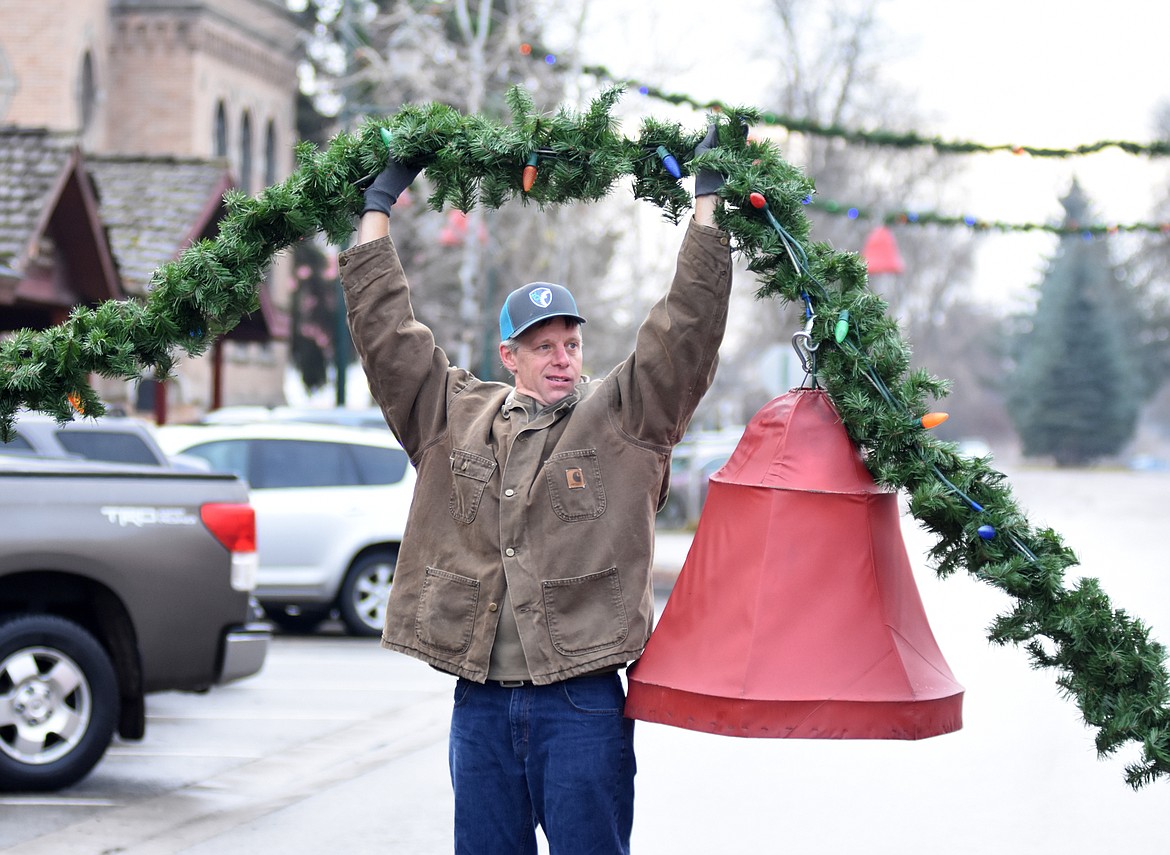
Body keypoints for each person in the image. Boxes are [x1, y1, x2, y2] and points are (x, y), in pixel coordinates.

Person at [337, 125, 734, 855]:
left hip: (581, 703)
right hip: (480, 705)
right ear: (509, 355)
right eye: (544, 345)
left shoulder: (624, 418)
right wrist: (379, 204)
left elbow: (686, 329)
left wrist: (706, 199)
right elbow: (388, 337)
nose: (562, 358)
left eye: (572, 342)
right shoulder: (452, 416)